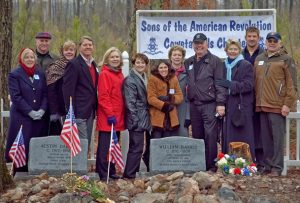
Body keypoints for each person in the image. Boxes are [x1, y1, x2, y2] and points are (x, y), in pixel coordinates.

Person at [254, 32, 297, 176]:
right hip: (262, 105)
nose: (271, 43)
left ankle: (277, 168)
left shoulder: (286, 59)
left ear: (280, 42)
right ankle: (267, 166)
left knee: (277, 138)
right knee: (265, 139)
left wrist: (287, 104)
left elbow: (292, 85)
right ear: (265, 42)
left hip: (277, 106)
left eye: (274, 40)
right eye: (269, 40)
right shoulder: (259, 59)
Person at [184, 33, 227, 171]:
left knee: (210, 135)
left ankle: (210, 166)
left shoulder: (215, 61)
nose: (199, 46)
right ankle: (199, 165)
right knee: (197, 136)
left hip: (209, 104)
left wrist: (220, 103)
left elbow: (220, 84)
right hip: (194, 104)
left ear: (206, 44)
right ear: (193, 45)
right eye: (196, 43)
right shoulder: (189, 62)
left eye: (201, 43)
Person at [5, 48, 48, 172]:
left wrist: (42, 110)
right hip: (21, 117)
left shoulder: (40, 73)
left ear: (35, 59)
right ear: (21, 59)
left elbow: (45, 94)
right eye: (26, 57)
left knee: (35, 145)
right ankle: (20, 172)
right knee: (22, 146)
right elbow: (16, 96)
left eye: (31, 57)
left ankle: (35, 170)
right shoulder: (15, 74)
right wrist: (29, 111)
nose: (29, 59)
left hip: (39, 117)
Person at [216, 39, 255, 159]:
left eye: (235, 49)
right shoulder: (222, 65)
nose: (232, 51)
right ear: (226, 51)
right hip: (227, 103)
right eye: (230, 49)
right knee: (228, 133)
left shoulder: (245, 65)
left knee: (242, 132)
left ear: (239, 50)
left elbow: (249, 85)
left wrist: (230, 84)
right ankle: (229, 160)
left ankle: (245, 160)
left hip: (240, 104)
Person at [62, 36, 98, 147]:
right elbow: (67, 89)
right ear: (80, 47)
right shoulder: (74, 64)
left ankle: (83, 165)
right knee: (81, 144)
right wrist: (71, 110)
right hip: (78, 112)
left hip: (90, 111)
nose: (88, 47)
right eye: (85, 45)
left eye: (90, 45)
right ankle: (80, 165)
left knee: (85, 143)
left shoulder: (93, 64)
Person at [96, 47, 125, 181]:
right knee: (105, 146)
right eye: (112, 57)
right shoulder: (105, 74)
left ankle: (111, 170)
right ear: (107, 59)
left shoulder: (119, 74)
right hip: (108, 116)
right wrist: (109, 114)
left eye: (117, 57)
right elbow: (103, 96)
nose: (115, 59)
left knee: (113, 145)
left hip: (118, 116)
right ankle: (102, 172)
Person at [122, 53, 152, 179]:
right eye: (138, 62)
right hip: (136, 117)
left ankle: (147, 167)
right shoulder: (130, 79)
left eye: (143, 63)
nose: (140, 65)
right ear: (133, 64)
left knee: (148, 146)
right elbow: (130, 103)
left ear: (146, 65)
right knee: (136, 148)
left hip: (147, 117)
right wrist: (135, 119)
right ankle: (129, 174)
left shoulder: (145, 77)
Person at [242, 26, 265, 169]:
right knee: (245, 127)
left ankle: (261, 161)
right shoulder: (240, 54)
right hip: (243, 97)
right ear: (245, 38)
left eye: (254, 36)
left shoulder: (264, 54)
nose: (251, 39)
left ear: (258, 38)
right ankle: (246, 159)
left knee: (259, 128)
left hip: (259, 96)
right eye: (249, 36)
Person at [45, 40, 76, 135]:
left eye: (71, 50)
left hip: (75, 108)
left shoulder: (78, 65)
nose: (69, 52)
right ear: (62, 52)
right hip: (59, 110)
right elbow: (51, 91)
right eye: (66, 50)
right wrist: (54, 112)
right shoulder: (55, 67)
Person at [147, 60, 183, 138]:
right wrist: (164, 105)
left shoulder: (174, 78)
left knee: (169, 144)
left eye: (165, 67)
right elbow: (151, 98)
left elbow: (180, 96)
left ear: (168, 68)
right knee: (157, 143)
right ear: (157, 69)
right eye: (161, 68)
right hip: (157, 117)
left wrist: (171, 99)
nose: (163, 69)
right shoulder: (152, 79)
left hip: (171, 117)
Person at [168, 45, 190, 137]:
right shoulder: (165, 71)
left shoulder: (188, 73)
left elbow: (189, 95)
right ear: (170, 57)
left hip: (183, 108)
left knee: (182, 133)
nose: (177, 57)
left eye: (179, 55)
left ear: (182, 57)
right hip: (168, 106)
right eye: (174, 55)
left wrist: (188, 116)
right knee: (168, 136)